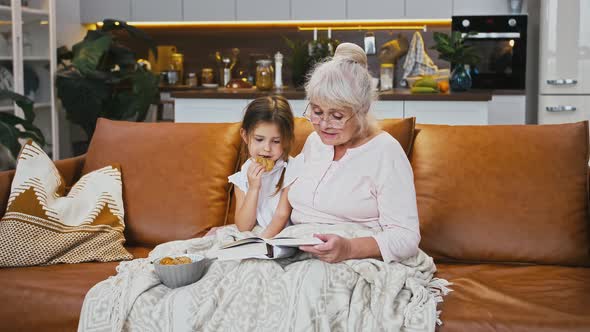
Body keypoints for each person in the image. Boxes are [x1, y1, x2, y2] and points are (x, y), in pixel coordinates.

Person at [291, 43, 421, 263]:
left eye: (337, 116)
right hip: (296, 249)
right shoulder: (314, 142)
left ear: (362, 110)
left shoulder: (385, 152)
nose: (324, 124)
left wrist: (349, 248)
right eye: (317, 111)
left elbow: (406, 237)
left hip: (353, 257)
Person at [207, 95, 295, 239]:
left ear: (286, 140)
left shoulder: (292, 169)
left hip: (279, 236)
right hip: (255, 233)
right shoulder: (243, 175)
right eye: (259, 139)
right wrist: (254, 188)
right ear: (245, 136)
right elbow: (244, 226)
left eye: (276, 141)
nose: (267, 148)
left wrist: (261, 243)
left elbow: (282, 215)